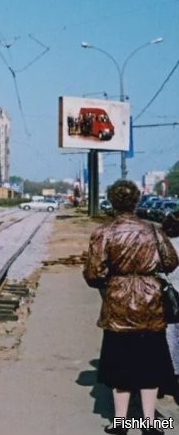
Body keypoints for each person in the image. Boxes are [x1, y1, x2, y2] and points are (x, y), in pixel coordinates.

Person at [83, 180, 179, 435]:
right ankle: (149, 421)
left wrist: (113, 278)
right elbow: (171, 262)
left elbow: (93, 273)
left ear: (112, 202)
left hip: (118, 302)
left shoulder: (104, 232)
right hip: (150, 302)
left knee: (119, 363)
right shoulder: (153, 230)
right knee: (150, 364)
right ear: (136, 201)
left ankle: (121, 422)